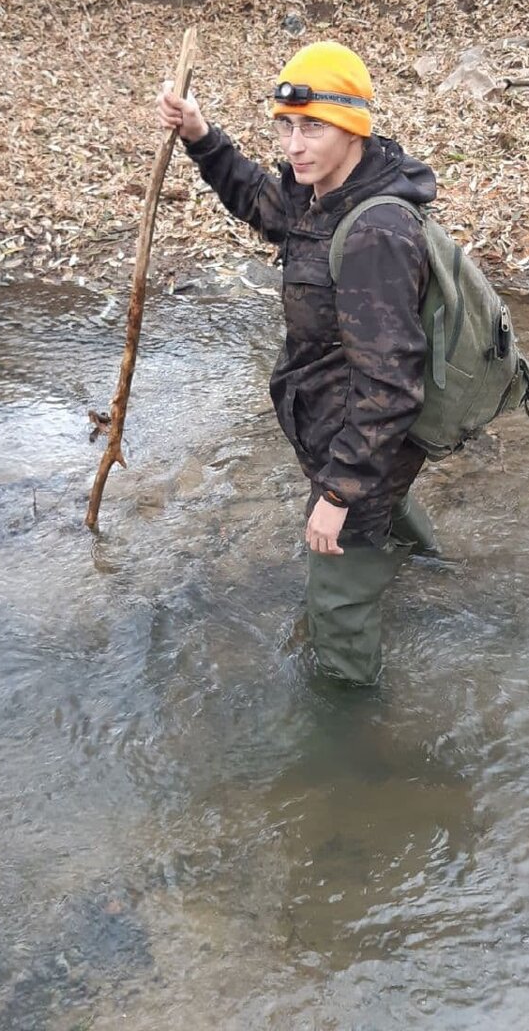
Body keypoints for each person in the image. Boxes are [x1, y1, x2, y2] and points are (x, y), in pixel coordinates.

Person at [156, 41, 440, 685]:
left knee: (336, 621)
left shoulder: (376, 233)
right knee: (384, 518)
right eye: (286, 126)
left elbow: (391, 385)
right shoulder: (321, 195)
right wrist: (201, 136)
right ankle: (435, 576)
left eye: (313, 126)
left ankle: (351, 752)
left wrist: (338, 493)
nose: (294, 143)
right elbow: (260, 200)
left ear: (353, 128)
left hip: (361, 444)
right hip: (348, 439)